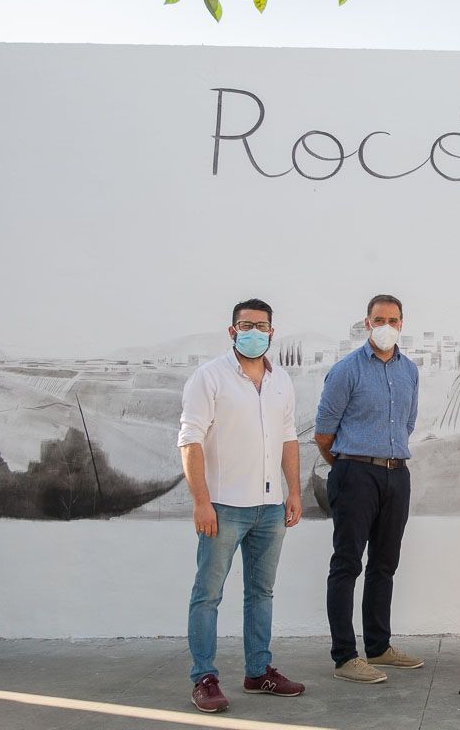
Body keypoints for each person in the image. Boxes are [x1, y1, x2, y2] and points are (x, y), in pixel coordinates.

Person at [178, 298, 305, 713]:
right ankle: (204, 678)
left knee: (261, 593)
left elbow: (288, 438)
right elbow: (190, 440)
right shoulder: (209, 377)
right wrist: (201, 502)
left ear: (272, 332)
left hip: (270, 508)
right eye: (246, 326)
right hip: (223, 507)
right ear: (232, 331)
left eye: (261, 326)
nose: (254, 332)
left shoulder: (281, 380)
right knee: (207, 595)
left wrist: (294, 491)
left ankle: (258, 671)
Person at [314, 294, 423, 684]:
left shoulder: (409, 371)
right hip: (355, 473)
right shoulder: (347, 370)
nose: (386, 326)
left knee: (384, 564)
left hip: (397, 474)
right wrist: (348, 466)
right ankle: (345, 656)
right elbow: (324, 432)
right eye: (379, 320)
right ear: (367, 323)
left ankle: (378, 647)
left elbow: (407, 423)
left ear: (401, 324)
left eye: (393, 320)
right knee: (347, 563)